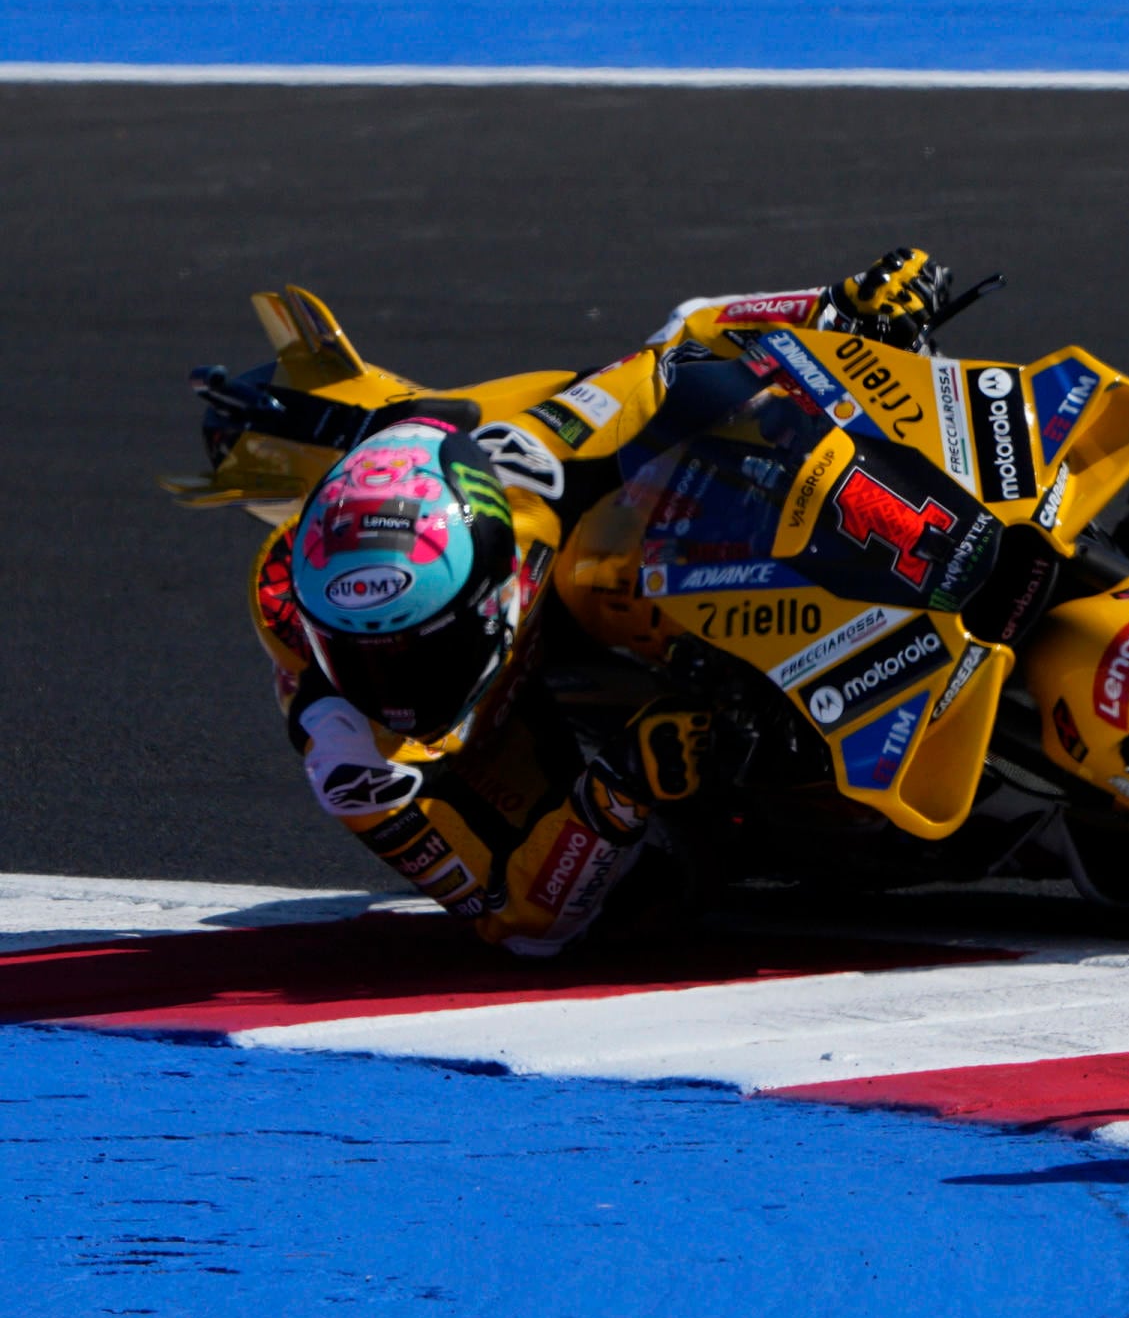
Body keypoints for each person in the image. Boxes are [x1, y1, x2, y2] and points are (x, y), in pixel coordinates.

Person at [243, 250, 979, 954]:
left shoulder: (526, 462)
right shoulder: (356, 759)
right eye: (358, 656)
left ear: (488, 594)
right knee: (640, 904)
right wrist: (620, 786)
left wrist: (840, 305)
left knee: (622, 550)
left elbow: (677, 341)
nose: (394, 689)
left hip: (567, 582)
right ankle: (783, 775)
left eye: (417, 650)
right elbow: (519, 925)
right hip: (520, 751)